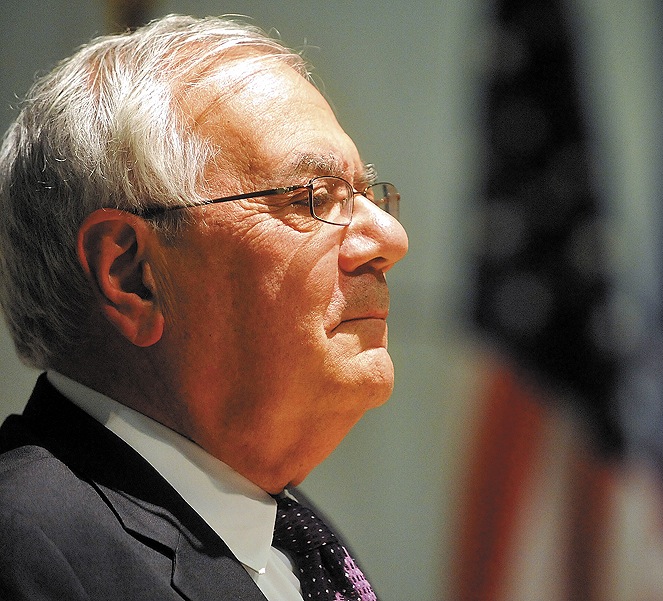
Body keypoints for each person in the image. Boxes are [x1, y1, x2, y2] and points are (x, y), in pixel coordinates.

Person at [0, 14, 408, 601]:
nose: (390, 238)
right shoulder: (27, 550)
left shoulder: (295, 540)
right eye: (313, 197)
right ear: (132, 275)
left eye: (368, 195)